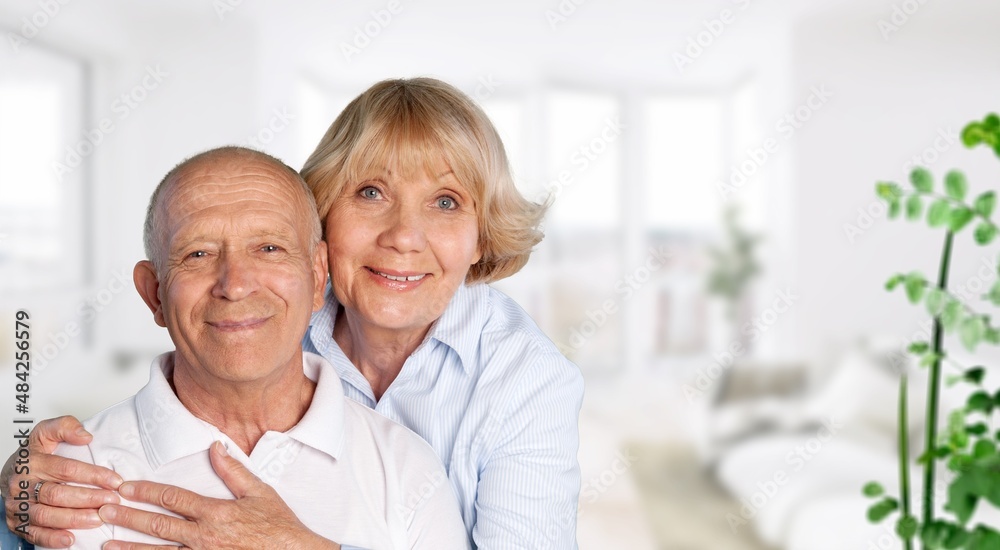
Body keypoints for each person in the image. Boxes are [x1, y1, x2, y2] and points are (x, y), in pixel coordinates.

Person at [3, 78, 584, 549]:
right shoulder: (264, 313)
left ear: (481, 237)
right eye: (371, 193)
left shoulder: (525, 380)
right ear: (323, 224)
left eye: (447, 202)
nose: (405, 236)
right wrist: (16, 499)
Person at [31, 146, 469, 549]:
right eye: (198, 254)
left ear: (318, 277)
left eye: (269, 248)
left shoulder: (406, 465)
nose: (236, 284)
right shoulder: (75, 474)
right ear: (155, 294)